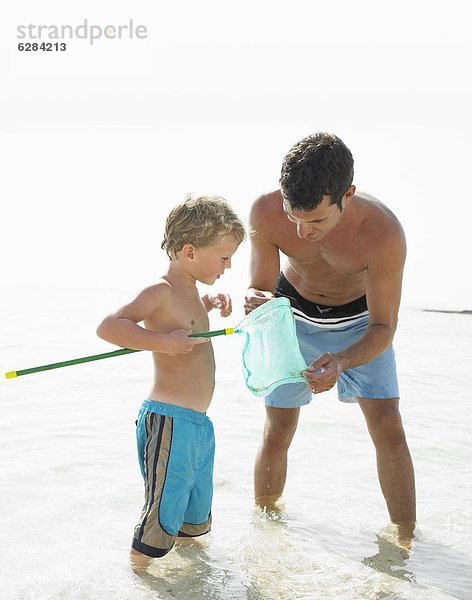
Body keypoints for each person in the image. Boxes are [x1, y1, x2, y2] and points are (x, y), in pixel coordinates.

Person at [245, 132, 416, 529]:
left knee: (388, 424)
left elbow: (383, 327)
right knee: (278, 427)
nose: (303, 232)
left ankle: (406, 544)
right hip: (291, 315)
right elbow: (260, 286)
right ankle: (265, 533)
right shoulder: (265, 212)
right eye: (294, 216)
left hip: (360, 322)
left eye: (317, 219)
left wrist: (342, 360)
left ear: (348, 194)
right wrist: (257, 300)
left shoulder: (384, 233)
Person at [97, 194, 245, 573]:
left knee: (192, 518)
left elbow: (185, 318)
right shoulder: (160, 290)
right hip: (169, 421)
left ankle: (186, 584)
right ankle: (140, 577)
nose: (229, 265)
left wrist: (208, 304)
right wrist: (163, 343)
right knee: (160, 517)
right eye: (224, 256)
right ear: (190, 251)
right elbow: (110, 326)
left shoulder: (192, 292)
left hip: (197, 425)